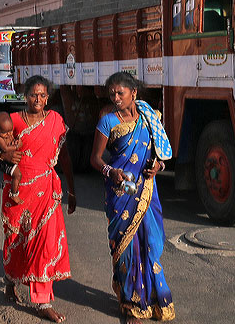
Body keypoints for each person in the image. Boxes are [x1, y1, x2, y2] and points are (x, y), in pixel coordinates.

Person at [0, 75, 75, 323]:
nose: (38, 99)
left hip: (46, 191)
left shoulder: (56, 121)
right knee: (16, 241)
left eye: (43, 95)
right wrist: (4, 157)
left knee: (44, 245)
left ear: (48, 97)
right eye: (33, 94)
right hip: (17, 193)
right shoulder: (12, 121)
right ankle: (10, 281)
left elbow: (64, 156)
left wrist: (72, 189)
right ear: (24, 96)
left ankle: (42, 301)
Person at [90, 72, 174, 322]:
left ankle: (154, 300)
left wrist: (159, 167)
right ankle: (130, 304)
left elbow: (161, 152)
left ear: (133, 93)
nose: (115, 98)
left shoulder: (151, 118)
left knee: (149, 246)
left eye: (120, 93)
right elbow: (95, 158)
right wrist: (110, 171)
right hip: (122, 191)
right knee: (126, 249)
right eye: (112, 94)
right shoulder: (108, 122)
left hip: (147, 190)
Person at [0, 111, 22, 199]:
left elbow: (12, 139)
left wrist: (16, 140)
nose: (8, 134)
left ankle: (12, 188)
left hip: (10, 160)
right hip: (4, 162)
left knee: (17, 175)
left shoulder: (7, 134)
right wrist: (16, 146)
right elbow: (5, 148)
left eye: (10, 131)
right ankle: (13, 194)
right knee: (17, 175)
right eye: (4, 132)